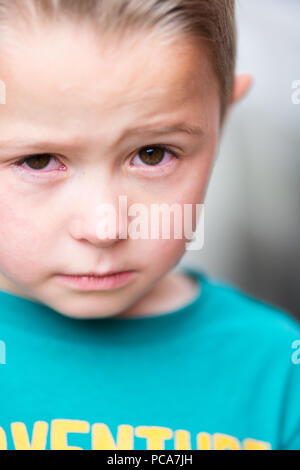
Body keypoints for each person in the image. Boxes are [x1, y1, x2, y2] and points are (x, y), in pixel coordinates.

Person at [0, 0, 299, 451]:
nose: (105, 227)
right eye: (38, 160)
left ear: (224, 117)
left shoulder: (278, 370)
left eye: (154, 154)